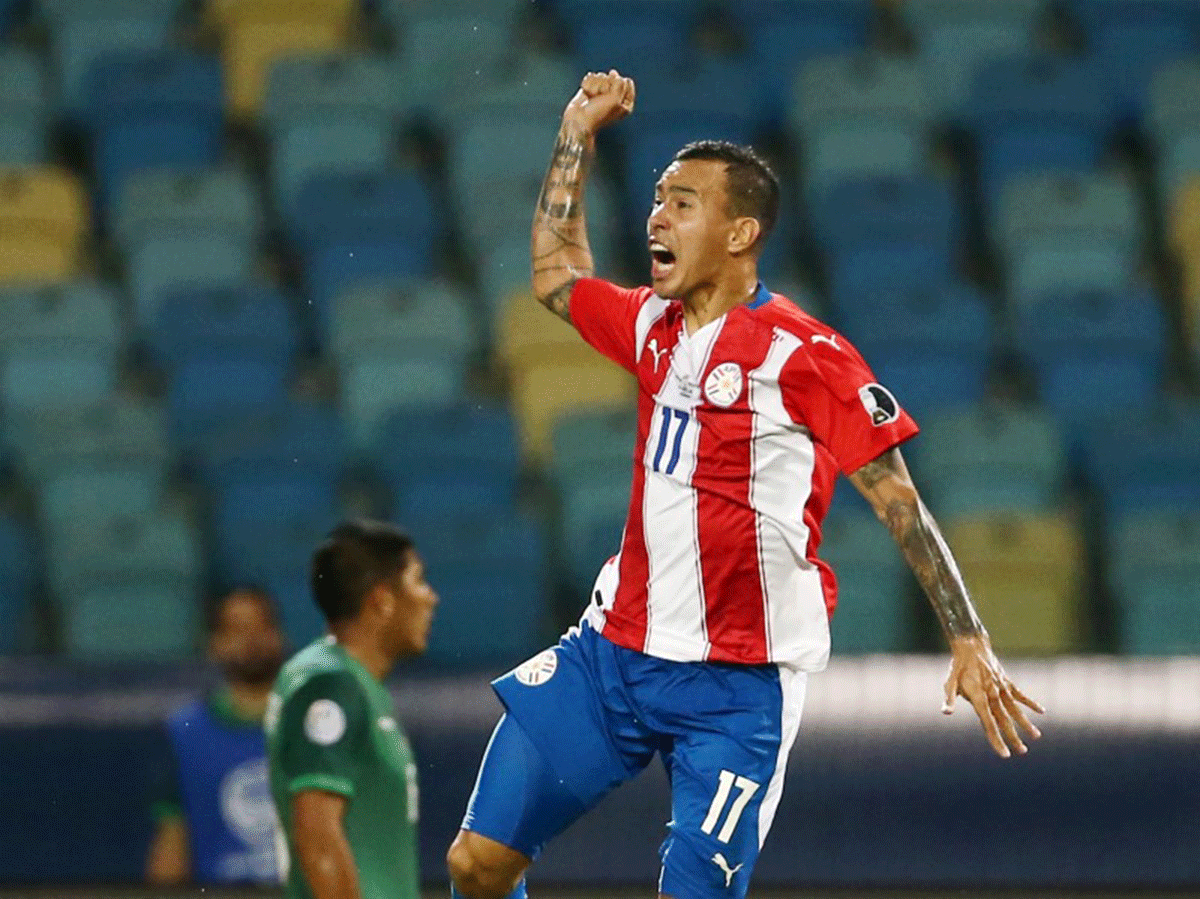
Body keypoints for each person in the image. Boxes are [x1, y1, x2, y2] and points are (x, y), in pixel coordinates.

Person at [446, 70, 1046, 899]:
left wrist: (969, 638)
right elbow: (555, 277)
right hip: (614, 652)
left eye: (683, 202)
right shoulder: (651, 328)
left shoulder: (806, 356)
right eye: (657, 198)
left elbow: (897, 498)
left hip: (737, 685)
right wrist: (575, 134)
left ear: (740, 233)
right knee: (476, 864)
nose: (656, 215)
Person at [265, 519, 438, 899]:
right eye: (418, 580)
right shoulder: (331, 686)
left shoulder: (354, 684)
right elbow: (318, 838)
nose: (431, 598)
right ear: (382, 601)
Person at [146, 586, 287, 886]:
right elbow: (172, 840)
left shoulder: (311, 725)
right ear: (215, 643)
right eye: (237, 629)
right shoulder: (185, 733)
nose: (250, 639)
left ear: (279, 636)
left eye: (260, 627)